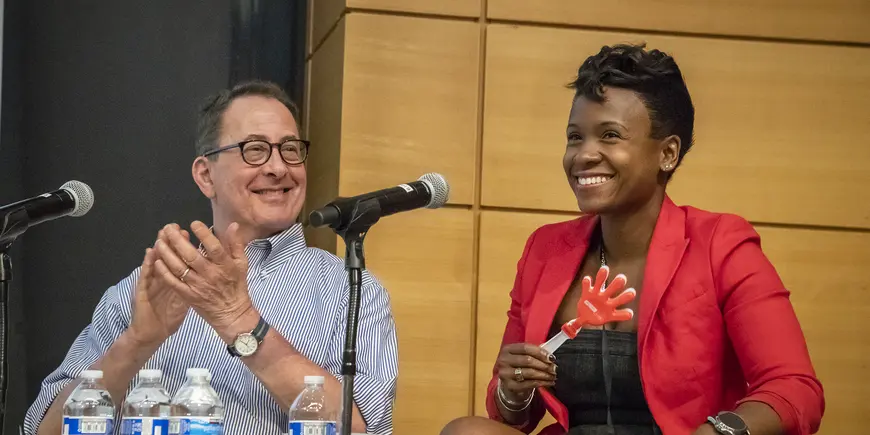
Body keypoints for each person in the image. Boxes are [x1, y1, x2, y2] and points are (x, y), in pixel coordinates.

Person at [442, 44, 824, 435]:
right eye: (575, 137)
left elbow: (794, 388)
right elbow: (512, 419)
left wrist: (719, 431)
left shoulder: (721, 245)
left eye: (610, 135)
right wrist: (513, 391)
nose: (584, 155)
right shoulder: (545, 249)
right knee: (466, 431)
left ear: (668, 154)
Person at [24, 80, 399, 435]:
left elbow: (360, 427)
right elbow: (45, 429)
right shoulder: (141, 291)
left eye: (290, 149)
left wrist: (241, 322)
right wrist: (136, 342)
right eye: (254, 149)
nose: (278, 167)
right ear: (206, 175)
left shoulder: (350, 290)